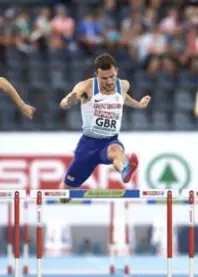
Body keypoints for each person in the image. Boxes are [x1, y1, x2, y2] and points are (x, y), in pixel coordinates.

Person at [59, 53, 150, 196]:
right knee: (66, 193)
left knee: (116, 152)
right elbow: (65, 102)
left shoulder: (123, 85)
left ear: (117, 71)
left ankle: (125, 169)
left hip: (109, 141)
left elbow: (123, 98)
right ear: (96, 74)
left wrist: (138, 105)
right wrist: (68, 101)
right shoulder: (87, 86)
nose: (109, 81)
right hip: (88, 145)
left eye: (112, 76)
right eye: (104, 78)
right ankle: (66, 189)